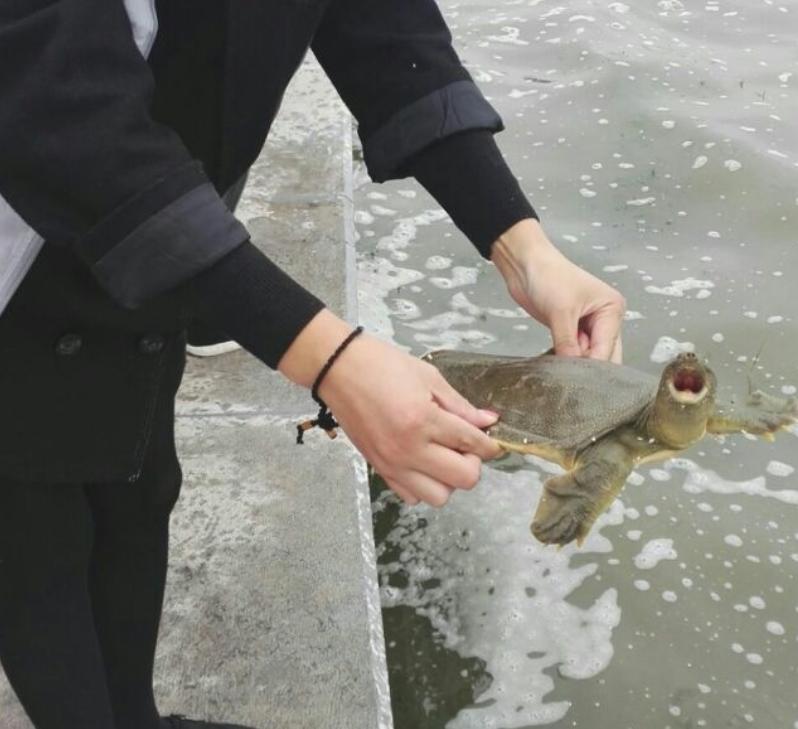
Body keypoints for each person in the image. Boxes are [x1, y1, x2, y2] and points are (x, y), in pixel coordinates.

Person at [0, 2, 625, 729]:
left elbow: (382, 29)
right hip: (28, 242)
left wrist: (523, 245)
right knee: (31, 533)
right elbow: (67, 114)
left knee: (135, 489)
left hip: (146, 260)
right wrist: (334, 360)